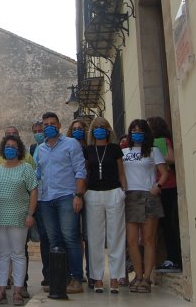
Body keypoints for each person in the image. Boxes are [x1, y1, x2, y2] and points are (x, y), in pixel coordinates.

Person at [35, 111, 87, 294]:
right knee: (53, 240)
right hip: (45, 199)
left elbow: (80, 170)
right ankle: (59, 280)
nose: (49, 127)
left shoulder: (71, 144)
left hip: (66, 197)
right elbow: (37, 174)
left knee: (70, 237)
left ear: (59, 125)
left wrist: (78, 195)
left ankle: (76, 278)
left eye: (52, 124)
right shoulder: (40, 149)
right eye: (46, 124)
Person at [122, 119, 170, 293]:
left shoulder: (153, 151)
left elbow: (164, 172)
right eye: (133, 131)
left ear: (146, 133)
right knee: (132, 240)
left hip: (148, 196)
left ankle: (147, 278)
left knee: (149, 239)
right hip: (130, 197)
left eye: (140, 131)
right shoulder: (124, 152)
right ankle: (138, 275)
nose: (136, 134)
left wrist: (157, 187)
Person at [0, 135, 38, 306]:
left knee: (18, 254)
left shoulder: (26, 168)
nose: (10, 149)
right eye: (7, 146)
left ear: (19, 150)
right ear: (3, 149)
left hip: (19, 218)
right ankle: (1, 290)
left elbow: (34, 191)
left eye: (13, 146)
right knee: (2, 254)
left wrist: (30, 214)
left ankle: (18, 292)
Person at [84, 117, 126, 294]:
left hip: (114, 192)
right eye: (96, 127)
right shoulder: (87, 150)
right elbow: (85, 173)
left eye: (102, 127)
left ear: (108, 130)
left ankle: (115, 277)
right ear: (92, 131)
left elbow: (121, 172)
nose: (99, 129)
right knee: (95, 238)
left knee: (116, 236)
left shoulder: (115, 149)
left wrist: (124, 192)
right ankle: (98, 278)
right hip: (93, 193)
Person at [148, 116, 181, 273]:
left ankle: (173, 259)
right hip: (156, 188)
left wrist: (157, 157)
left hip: (167, 187)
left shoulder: (162, 141)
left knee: (168, 223)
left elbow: (172, 158)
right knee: (161, 226)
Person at [64, 119, 91, 288]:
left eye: (80, 128)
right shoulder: (67, 147)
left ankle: (91, 272)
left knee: (88, 236)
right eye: (74, 129)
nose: (77, 131)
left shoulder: (89, 149)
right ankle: (76, 272)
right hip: (71, 194)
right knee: (73, 235)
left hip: (88, 194)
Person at [28, 121, 50, 292]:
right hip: (38, 196)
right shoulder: (32, 148)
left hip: (50, 194)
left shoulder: (51, 147)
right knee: (43, 237)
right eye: (35, 131)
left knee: (53, 236)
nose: (38, 133)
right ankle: (47, 274)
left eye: (40, 130)